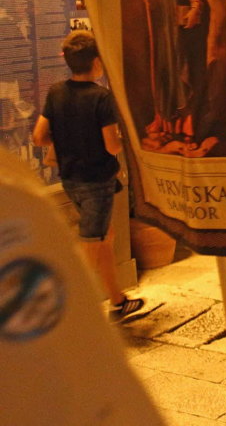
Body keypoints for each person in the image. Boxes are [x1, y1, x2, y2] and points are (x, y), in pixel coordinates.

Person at [31, 30, 145, 322]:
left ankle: (117, 300)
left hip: (71, 180)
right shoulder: (101, 98)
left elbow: (39, 136)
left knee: (104, 237)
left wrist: (69, 139)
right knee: (91, 245)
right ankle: (69, 313)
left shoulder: (56, 91)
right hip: (97, 182)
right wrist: (126, 140)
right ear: (96, 62)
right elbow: (112, 146)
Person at [139, 0, 210, 149]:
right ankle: (167, 126)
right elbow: (150, 4)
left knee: (182, 75)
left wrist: (194, 9)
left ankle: (186, 126)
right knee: (164, 78)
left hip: (178, 32)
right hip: (161, 31)